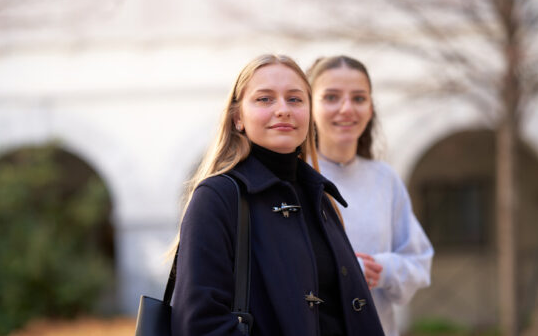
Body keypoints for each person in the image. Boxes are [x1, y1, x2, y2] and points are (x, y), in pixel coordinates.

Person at [170, 54, 385, 335]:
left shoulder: (321, 196)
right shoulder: (217, 197)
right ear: (238, 118)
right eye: (264, 99)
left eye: (295, 99)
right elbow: (200, 323)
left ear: (309, 114)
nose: (283, 109)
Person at [307, 55, 434, 336]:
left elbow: (419, 262)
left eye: (359, 98)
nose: (346, 108)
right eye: (331, 97)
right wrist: (342, 269)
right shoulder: (293, 178)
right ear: (309, 105)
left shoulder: (384, 180)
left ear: (371, 107)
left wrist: (383, 269)